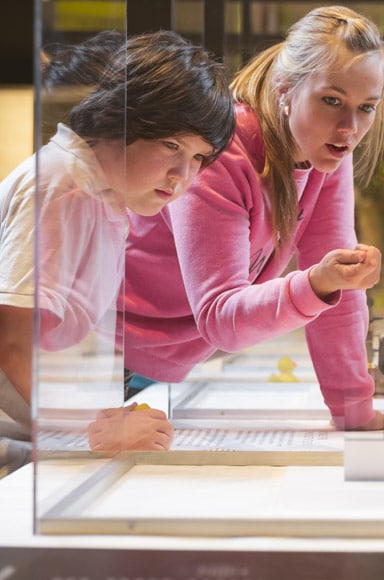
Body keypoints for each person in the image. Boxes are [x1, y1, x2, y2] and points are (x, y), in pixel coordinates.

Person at [121, 6, 384, 431]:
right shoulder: (221, 152)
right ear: (285, 90)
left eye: (367, 107)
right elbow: (221, 318)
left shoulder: (325, 152)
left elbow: (340, 291)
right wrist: (316, 283)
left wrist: (353, 409)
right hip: (95, 363)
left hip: (160, 371)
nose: (350, 127)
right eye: (332, 101)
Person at [0, 30, 236, 470]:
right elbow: (13, 342)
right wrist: (95, 426)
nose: (182, 174)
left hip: (39, 439)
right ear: (116, 118)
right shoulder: (62, 183)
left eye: (199, 158)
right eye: (171, 145)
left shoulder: (98, 193)